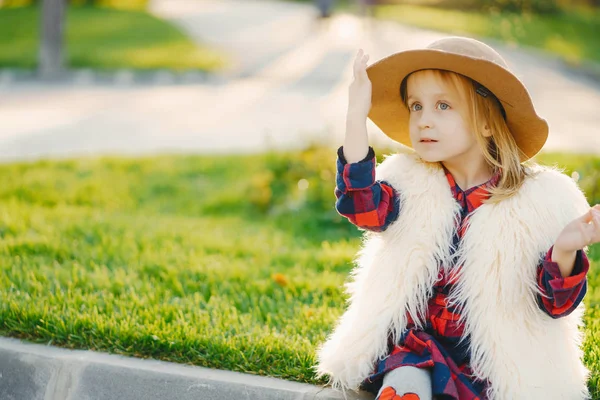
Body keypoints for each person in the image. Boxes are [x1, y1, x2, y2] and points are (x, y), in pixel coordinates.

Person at [314, 36, 600, 400]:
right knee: (409, 367)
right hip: (413, 342)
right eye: (416, 106)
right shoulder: (408, 180)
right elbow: (362, 206)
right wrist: (356, 117)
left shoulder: (539, 201)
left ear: (486, 123)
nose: (423, 121)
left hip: (483, 359)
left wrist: (565, 249)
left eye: (443, 105)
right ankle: (404, 393)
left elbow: (553, 303)